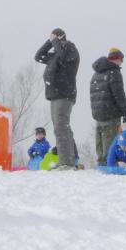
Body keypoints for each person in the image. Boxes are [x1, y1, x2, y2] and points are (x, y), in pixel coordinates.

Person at [35, 28, 80, 170]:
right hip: (54, 95)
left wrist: (56, 41)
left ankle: (67, 162)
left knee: (61, 127)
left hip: (65, 94)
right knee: (61, 127)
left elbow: (63, 58)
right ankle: (71, 159)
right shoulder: (54, 55)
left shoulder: (70, 50)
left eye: (55, 38)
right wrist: (49, 42)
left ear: (61, 38)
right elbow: (38, 56)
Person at [89, 48, 126, 166]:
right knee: (110, 137)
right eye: (121, 60)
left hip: (98, 111)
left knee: (100, 136)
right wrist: (124, 109)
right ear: (116, 59)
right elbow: (118, 93)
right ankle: (110, 161)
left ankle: (101, 160)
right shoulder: (114, 72)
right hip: (111, 111)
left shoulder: (96, 73)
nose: (121, 63)